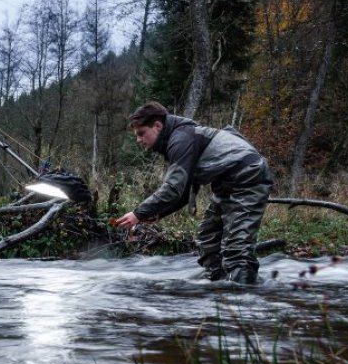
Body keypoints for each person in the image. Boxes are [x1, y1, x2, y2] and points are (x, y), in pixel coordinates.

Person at [115, 101, 273, 284]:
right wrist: (157, 213)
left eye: (141, 133)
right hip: (227, 183)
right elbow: (182, 193)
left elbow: (173, 188)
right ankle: (220, 287)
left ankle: (242, 300)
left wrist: (137, 214)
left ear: (157, 126)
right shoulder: (180, 138)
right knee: (208, 239)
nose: (138, 140)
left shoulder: (181, 139)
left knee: (238, 249)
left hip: (248, 177)